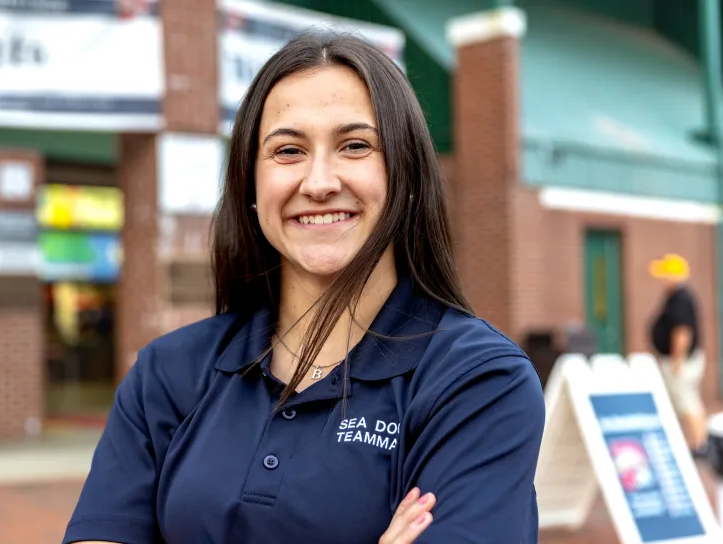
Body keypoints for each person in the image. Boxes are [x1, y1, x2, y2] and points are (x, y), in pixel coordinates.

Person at [63, 31, 545, 544]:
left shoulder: (479, 382)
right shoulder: (167, 373)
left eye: (355, 145)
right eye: (288, 150)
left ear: (406, 175)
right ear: (250, 185)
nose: (318, 182)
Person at [649, 253, 708, 457]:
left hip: (681, 361)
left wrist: (676, 359)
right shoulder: (674, 297)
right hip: (682, 360)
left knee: (686, 401)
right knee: (685, 401)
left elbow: (682, 331)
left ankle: (700, 446)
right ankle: (695, 443)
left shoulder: (680, 299)